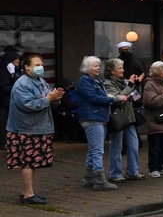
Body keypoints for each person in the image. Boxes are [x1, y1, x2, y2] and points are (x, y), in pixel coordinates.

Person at [6, 54, 63, 203]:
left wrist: (55, 98)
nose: (41, 67)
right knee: (27, 162)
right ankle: (28, 195)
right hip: (25, 129)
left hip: (39, 127)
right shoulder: (22, 84)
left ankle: (27, 191)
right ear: (27, 67)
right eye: (37, 65)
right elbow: (28, 105)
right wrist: (48, 99)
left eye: (42, 65)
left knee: (34, 162)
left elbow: (46, 99)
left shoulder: (41, 81)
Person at [76, 56, 125, 191]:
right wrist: (114, 99)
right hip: (92, 118)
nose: (98, 68)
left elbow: (99, 97)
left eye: (98, 65)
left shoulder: (95, 80)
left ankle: (89, 178)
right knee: (98, 149)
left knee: (94, 149)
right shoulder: (85, 81)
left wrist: (109, 98)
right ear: (87, 67)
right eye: (95, 66)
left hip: (98, 118)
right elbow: (94, 98)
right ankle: (99, 180)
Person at [103, 58, 143, 181]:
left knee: (133, 145)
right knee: (117, 145)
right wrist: (130, 86)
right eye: (120, 68)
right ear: (112, 71)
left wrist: (137, 85)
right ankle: (115, 174)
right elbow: (119, 98)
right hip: (118, 118)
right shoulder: (107, 83)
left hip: (129, 117)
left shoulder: (124, 81)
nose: (123, 70)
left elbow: (137, 96)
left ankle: (133, 171)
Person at [1, 47, 21, 148]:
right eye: (15, 58)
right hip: (5, 103)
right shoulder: (4, 71)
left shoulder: (15, 70)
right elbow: (4, 88)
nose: (18, 60)